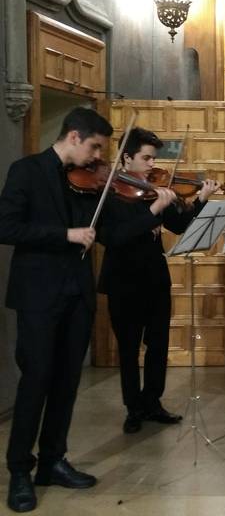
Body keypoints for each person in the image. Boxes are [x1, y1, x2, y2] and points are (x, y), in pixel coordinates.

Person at [0, 108, 175, 513]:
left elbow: (112, 234)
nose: (99, 158)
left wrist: (150, 212)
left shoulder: (93, 185)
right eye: (96, 147)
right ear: (75, 137)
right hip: (38, 296)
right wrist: (64, 234)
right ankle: (20, 471)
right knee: (37, 379)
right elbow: (5, 226)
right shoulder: (27, 171)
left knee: (66, 382)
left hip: (77, 296)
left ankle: (53, 460)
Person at [97, 127, 220, 435]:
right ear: (126, 158)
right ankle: (133, 408)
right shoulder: (109, 194)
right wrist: (154, 210)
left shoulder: (153, 190)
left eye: (154, 158)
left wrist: (201, 200)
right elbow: (117, 236)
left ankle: (152, 402)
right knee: (128, 348)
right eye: (146, 158)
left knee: (158, 344)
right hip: (123, 282)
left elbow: (178, 226)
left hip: (154, 279)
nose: (153, 165)